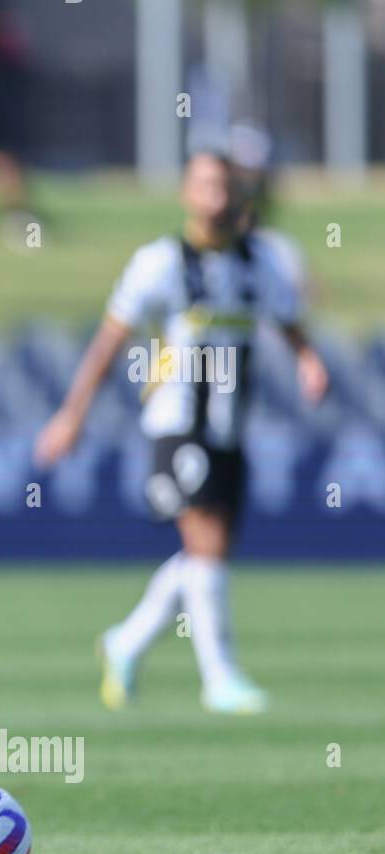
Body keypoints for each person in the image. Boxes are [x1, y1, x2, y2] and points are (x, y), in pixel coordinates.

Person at [34, 150, 328, 714]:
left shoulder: (259, 263)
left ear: (240, 195)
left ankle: (125, 641)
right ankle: (220, 677)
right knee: (207, 545)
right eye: (205, 185)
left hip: (230, 427)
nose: (216, 196)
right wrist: (72, 415)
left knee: (206, 555)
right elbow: (108, 341)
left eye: (225, 185)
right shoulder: (161, 262)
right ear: (187, 195)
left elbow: (291, 324)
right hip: (176, 421)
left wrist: (310, 361)